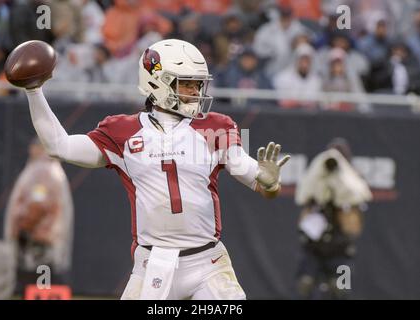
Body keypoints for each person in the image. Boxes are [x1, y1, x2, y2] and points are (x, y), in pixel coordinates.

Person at [21, 39, 290, 300]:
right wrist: (34, 92)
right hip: (153, 262)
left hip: (208, 262)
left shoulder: (216, 127)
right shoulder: (121, 131)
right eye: (187, 84)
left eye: (198, 85)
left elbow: (258, 182)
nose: (196, 93)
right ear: (157, 82)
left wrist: (270, 183)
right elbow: (60, 146)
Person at [294, 138, 372, 299]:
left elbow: (354, 226)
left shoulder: (354, 185)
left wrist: (342, 197)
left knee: (341, 288)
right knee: (305, 284)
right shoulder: (315, 182)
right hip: (314, 249)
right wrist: (319, 197)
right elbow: (303, 208)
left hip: (340, 252)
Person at [4, 138, 74, 295]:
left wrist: (24, 230)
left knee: (38, 288)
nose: (31, 150)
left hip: (38, 245)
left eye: (35, 146)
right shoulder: (48, 169)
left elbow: (38, 204)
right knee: (40, 287)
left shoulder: (43, 171)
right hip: (41, 243)